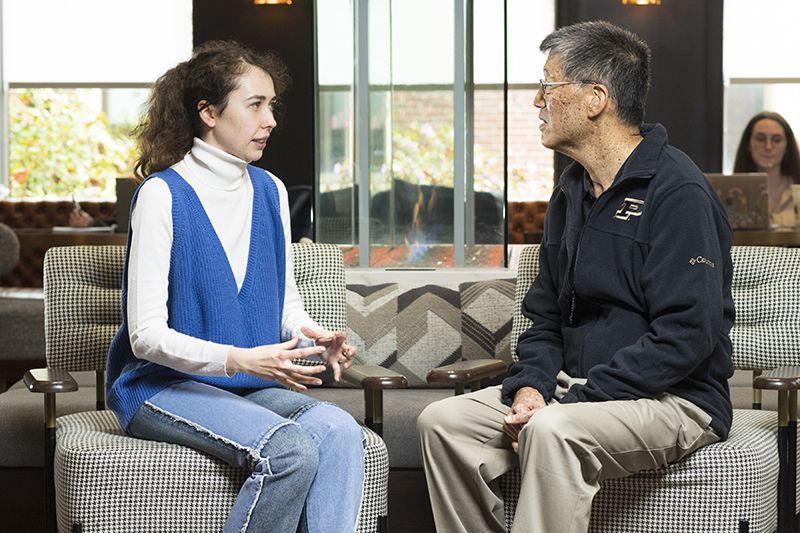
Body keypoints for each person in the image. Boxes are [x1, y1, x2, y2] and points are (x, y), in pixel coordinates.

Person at [417, 21, 734, 533]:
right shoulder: (571, 192)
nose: (537, 101)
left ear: (595, 98)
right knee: (443, 423)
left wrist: (572, 400)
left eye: (548, 85)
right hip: (580, 390)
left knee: (554, 430)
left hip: (675, 398)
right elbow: (544, 317)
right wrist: (531, 389)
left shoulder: (679, 194)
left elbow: (687, 335)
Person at [105, 40, 365, 533]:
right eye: (256, 105)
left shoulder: (270, 189)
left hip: (245, 387)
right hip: (160, 387)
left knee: (338, 431)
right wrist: (240, 359)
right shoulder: (162, 195)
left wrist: (314, 335)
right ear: (208, 112)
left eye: (272, 106)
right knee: (289, 451)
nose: (270, 120)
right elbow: (144, 336)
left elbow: (282, 298)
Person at [733, 111, 800, 228]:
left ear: (787, 147)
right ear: (748, 145)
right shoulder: (733, 193)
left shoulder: (797, 188)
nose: (768, 147)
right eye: (760, 139)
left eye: (776, 140)